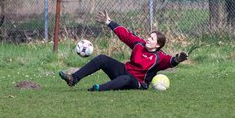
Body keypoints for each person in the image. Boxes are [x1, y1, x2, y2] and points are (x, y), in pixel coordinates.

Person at [59, 10, 188, 91]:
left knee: (126, 78)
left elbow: (171, 61)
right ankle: (73, 79)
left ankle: (99, 88)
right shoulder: (139, 44)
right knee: (102, 59)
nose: (148, 39)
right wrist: (108, 22)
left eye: (152, 38)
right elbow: (124, 34)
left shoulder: (160, 57)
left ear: (158, 45)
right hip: (124, 71)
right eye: (149, 36)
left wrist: (178, 59)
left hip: (137, 82)